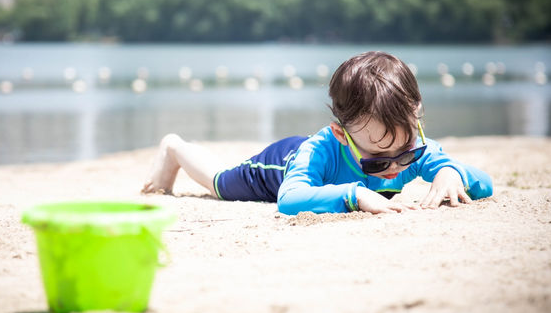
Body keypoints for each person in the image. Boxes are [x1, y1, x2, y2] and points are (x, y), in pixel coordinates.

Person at [142, 51, 493, 215]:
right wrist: (354, 194)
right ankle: (174, 148)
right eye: (376, 162)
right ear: (342, 135)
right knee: (220, 183)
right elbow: (290, 199)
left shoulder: (411, 150)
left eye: (406, 153)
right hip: (281, 165)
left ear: (416, 122)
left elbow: (485, 183)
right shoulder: (321, 152)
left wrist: (451, 173)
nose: (394, 168)